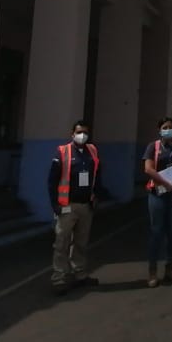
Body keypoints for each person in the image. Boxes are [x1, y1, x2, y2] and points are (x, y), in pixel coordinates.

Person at [47, 120, 102, 295]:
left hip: (86, 205)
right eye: (79, 132)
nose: (82, 135)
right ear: (72, 134)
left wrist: (96, 196)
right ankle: (59, 277)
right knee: (61, 242)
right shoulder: (63, 152)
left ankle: (80, 274)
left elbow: (98, 175)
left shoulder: (92, 151)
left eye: (85, 132)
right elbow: (52, 180)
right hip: (67, 205)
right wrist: (55, 204)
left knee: (81, 242)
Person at [143, 116, 172, 288]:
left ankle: (170, 268)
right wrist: (166, 182)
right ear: (159, 130)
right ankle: (152, 271)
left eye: (171, 127)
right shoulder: (153, 147)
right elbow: (148, 168)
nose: (168, 129)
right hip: (158, 194)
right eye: (165, 127)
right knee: (156, 231)